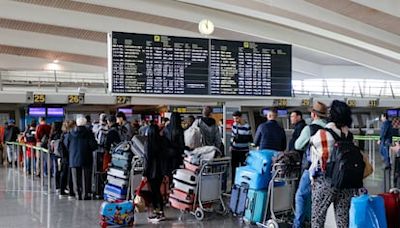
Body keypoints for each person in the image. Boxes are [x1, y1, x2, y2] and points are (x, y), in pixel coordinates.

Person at [309, 100, 357, 228]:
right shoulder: (349, 136)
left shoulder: (322, 134)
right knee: (343, 220)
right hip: (346, 182)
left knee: (317, 219)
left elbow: (315, 151)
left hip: (326, 181)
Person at [292, 102, 328, 228]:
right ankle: (313, 221)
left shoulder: (309, 129)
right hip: (328, 169)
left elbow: (298, 145)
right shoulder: (329, 128)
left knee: (301, 195)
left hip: (312, 168)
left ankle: (298, 224)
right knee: (317, 197)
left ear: (313, 115)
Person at [66, 116, 97, 200]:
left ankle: (78, 194)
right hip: (86, 157)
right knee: (86, 177)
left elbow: (66, 144)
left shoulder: (70, 133)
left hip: (73, 158)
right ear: (85, 123)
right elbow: (93, 146)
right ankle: (85, 194)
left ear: (77, 123)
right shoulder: (89, 133)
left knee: (76, 177)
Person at [143, 124, 167, 223]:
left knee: (154, 192)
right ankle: (160, 212)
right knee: (158, 192)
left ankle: (158, 213)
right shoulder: (162, 141)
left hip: (152, 171)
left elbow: (147, 159)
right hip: (160, 171)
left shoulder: (148, 142)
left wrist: (145, 173)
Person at [230, 111, 253, 184]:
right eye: (234, 119)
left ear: (240, 117)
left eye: (236, 118)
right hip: (235, 150)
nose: (235, 120)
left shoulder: (247, 126)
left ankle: (242, 184)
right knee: (234, 168)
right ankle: (234, 184)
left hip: (244, 150)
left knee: (244, 168)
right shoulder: (234, 125)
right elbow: (232, 137)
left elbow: (248, 139)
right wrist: (231, 145)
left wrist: (239, 139)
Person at [162, 112, 185, 180]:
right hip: (176, 154)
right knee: (175, 171)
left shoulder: (166, 128)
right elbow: (181, 143)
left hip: (167, 153)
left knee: (168, 171)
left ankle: (168, 186)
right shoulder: (179, 129)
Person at [60, 120, 76, 197]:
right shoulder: (70, 136)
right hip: (69, 157)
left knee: (64, 173)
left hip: (64, 157)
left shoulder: (63, 135)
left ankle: (62, 190)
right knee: (70, 174)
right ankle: (71, 191)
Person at [49, 121, 63, 188]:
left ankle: (57, 185)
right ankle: (60, 184)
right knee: (59, 169)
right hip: (60, 154)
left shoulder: (52, 134)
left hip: (54, 153)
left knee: (56, 168)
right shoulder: (61, 134)